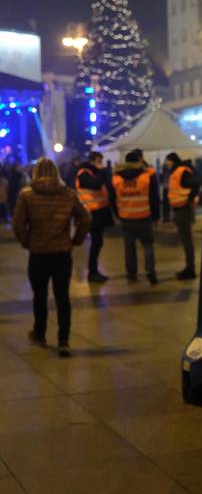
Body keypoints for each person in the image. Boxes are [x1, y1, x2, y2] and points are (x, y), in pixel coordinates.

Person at [13, 158, 91, 357]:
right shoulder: (68, 194)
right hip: (62, 253)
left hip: (38, 254)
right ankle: (63, 340)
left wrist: (26, 242)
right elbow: (85, 218)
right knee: (62, 297)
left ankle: (40, 334)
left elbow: (18, 224)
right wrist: (76, 240)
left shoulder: (26, 195)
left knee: (39, 296)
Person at [113, 150, 161, 284]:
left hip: (126, 217)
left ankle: (131, 273)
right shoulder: (147, 176)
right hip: (144, 216)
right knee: (147, 245)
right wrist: (156, 216)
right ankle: (151, 272)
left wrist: (118, 214)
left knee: (129, 246)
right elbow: (154, 198)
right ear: (139, 161)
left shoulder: (117, 177)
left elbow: (113, 198)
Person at [76, 151, 115, 282]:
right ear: (91, 161)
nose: (101, 164)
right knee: (96, 243)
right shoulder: (84, 173)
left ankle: (94, 271)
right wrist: (104, 172)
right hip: (91, 214)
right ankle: (92, 272)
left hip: (98, 213)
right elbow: (96, 185)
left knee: (98, 243)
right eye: (98, 161)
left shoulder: (91, 172)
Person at [166, 153, 201, 280]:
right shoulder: (178, 171)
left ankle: (190, 269)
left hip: (183, 209)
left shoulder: (181, 171)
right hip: (180, 209)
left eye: (168, 161)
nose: (167, 164)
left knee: (187, 241)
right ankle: (189, 267)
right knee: (186, 240)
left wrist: (189, 199)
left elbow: (196, 183)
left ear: (172, 161)